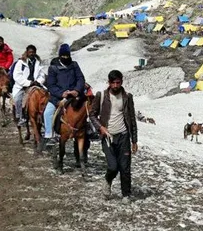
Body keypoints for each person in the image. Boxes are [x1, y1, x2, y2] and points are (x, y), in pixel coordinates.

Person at [90, 70, 138, 202]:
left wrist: (134, 140)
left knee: (125, 167)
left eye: (118, 82)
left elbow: (132, 119)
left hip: (123, 136)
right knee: (113, 166)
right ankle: (107, 180)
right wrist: (101, 127)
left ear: (121, 82)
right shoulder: (101, 96)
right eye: (113, 83)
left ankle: (126, 194)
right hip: (108, 137)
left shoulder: (127, 97)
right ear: (109, 82)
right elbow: (92, 114)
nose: (116, 85)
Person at [43, 44, 86, 147]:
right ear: (60, 55)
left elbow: (80, 78)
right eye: (64, 56)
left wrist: (76, 90)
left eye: (67, 56)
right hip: (58, 96)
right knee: (47, 113)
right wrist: (61, 93)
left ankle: (90, 129)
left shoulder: (74, 65)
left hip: (74, 95)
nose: (66, 58)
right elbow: (51, 85)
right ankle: (49, 135)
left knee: (87, 108)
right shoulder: (53, 68)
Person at [12, 45, 45, 126]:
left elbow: (42, 75)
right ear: (27, 52)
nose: (32, 54)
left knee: (46, 97)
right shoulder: (21, 63)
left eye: (33, 52)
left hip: (36, 84)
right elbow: (17, 76)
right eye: (30, 52)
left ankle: (43, 116)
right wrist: (28, 83)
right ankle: (21, 117)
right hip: (23, 85)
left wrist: (38, 81)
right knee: (18, 99)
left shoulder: (38, 62)